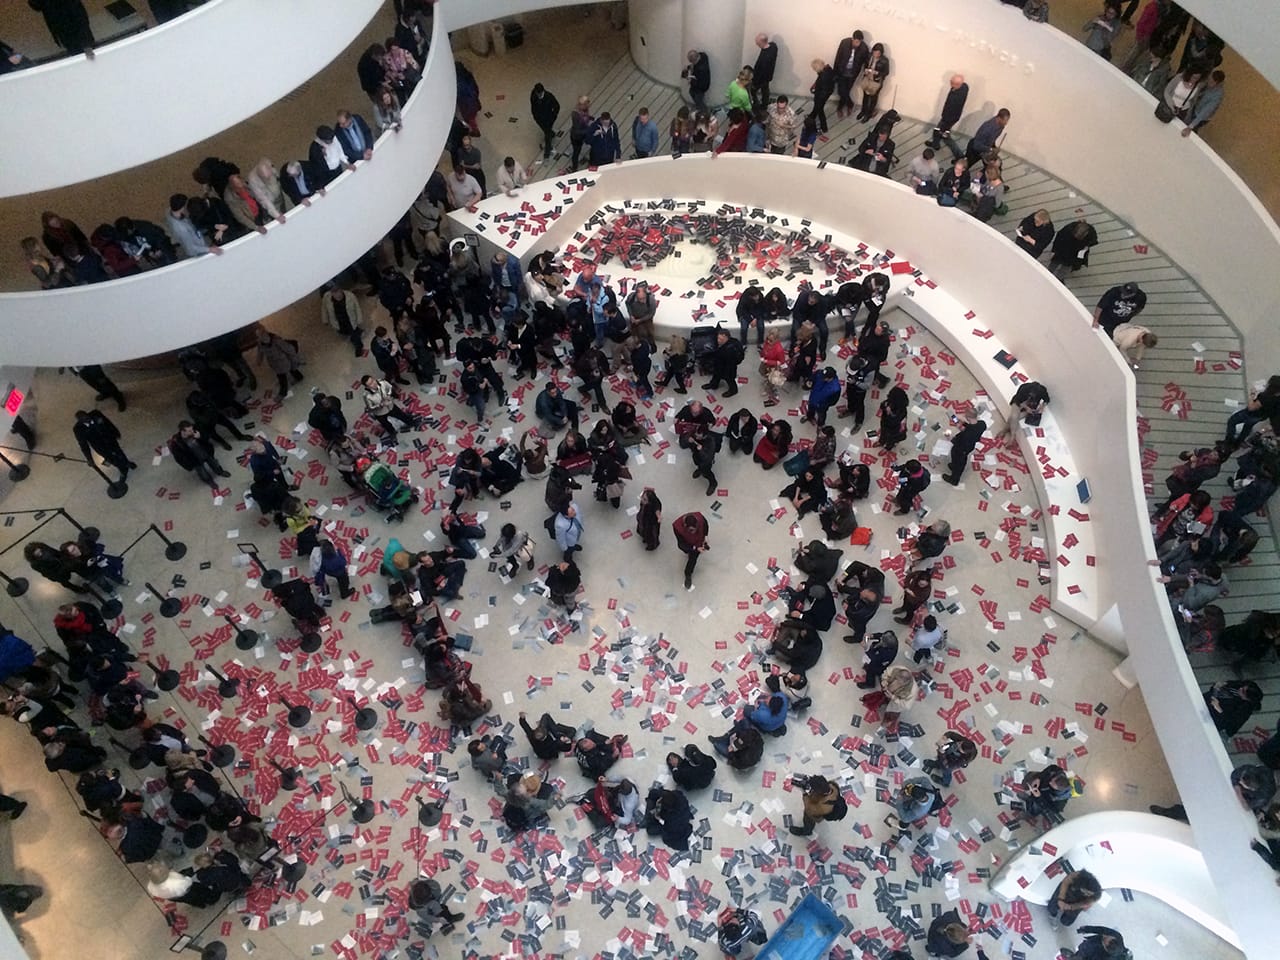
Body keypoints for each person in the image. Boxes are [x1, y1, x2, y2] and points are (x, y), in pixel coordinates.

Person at [73, 408, 136, 482]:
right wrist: (89, 458)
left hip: (109, 439)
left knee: (119, 451)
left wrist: (115, 432)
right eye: (85, 420)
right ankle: (122, 469)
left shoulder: (95, 414)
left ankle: (126, 462)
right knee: (111, 458)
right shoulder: (78, 430)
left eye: (87, 417)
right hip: (100, 447)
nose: (88, 420)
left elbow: (108, 423)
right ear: (80, 422)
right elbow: (83, 445)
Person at [169, 421, 230, 488]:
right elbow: (179, 458)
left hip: (206, 453)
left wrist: (200, 437)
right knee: (202, 472)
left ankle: (220, 472)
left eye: (192, 429)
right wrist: (189, 465)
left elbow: (207, 437)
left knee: (214, 463)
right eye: (189, 431)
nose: (192, 431)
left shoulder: (195, 430)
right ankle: (209, 481)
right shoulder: (176, 442)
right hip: (195, 460)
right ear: (183, 431)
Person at [1224, 375, 1280, 445]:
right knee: (1247, 427)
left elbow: (1251, 408)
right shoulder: (1277, 397)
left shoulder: (1265, 397)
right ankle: (1239, 442)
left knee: (1232, 421)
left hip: (1251, 414)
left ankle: (1229, 441)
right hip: (1261, 416)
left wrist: (1252, 394)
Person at [360, 375, 417, 442]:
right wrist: (381, 404)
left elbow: (389, 387)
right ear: (367, 387)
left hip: (390, 406)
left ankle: (411, 422)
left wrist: (388, 395)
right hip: (380, 413)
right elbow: (370, 407)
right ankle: (392, 432)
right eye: (370, 384)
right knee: (386, 424)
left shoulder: (382, 382)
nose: (374, 383)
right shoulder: (367, 395)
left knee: (401, 415)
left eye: (373, 380)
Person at [29, 0, 95, 57]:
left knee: (84, 50)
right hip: (60, 25)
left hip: (72, 18)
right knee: (74, 50)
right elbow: (36, 5)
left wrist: (87, 44)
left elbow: (80, 19)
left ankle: (87, 46)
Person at [943, 406, 987, 485]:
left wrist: (949, 437)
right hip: (970, 445)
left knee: (959, 462)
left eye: (965, 415)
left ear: (968, 417)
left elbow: (958, 442)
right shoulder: (982, 424)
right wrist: (963, 423)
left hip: (962, 449)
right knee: (954, 453)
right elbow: (971, 427)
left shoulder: (966, 434)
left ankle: (954, 479)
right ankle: (953, 465)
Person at [928, 75, 969, 155]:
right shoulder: (964, 87)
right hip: (953, 118)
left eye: (951, 82)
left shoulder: (955, 97)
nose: (950, 83)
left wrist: (944, 120)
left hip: (948, 119)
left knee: (943, 135)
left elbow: (949, 109)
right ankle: (935, 143)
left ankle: (959, 155)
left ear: (957, 84)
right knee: (941, 132)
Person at [256, 330, 304, 398]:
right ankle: (299, 377)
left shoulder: (277, 341)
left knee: (282, 376)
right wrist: (259, 360)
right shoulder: (260, 344)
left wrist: (295, 359)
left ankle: (282, 393)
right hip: (274, 363)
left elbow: (289, 349)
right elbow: (260, 352)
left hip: (283, 361)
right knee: (291, 369)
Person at [1182, 69, 1225, 137]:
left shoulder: (1217, 96)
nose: (1208, 82)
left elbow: (1205, 112)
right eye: (1209, 79)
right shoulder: (1207, 82)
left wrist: (1190, 126)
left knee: (1191, 129)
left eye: (1211, 82)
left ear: (1217, 83)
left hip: (1202, 116)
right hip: (1196, 107)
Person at [673, 511, 709, 589]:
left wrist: (705, 537)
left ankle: (688, 573)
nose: (694, 532)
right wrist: (695, 548)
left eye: (695, 529)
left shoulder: (700, 518)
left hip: (698, 541)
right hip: (687, 543)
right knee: (687, 550)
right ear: (685, 526)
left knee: (693, 558)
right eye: (691, 530)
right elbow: (682, 543)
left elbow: (705, 525)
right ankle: (690, 552)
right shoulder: (677, 527)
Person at [856, 43, 890, 122]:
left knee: (873, 98)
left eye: (878, 53)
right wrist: (866, 70)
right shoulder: (869, 56)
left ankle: (868, 114)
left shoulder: (884, 60)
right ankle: (863, 111)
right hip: (867, 79)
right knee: (865, 96)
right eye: (875, 52)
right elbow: (865, 65)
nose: (876, 55)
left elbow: (886, 72)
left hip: (876, 81)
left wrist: (877, 73)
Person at [530, 83, 561, 160]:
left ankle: (547, 150)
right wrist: (536, 117)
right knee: (546, 130)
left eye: (540, 93)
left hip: (548, 119)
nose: (539, 95)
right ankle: (551, 133)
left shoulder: (549, 96)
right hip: (540, 119)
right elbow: (533, 107)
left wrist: (553, 117)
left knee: (547, 133)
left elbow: (557, 106)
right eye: (537, 93)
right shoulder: (533, 95)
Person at [809, 58, 836, 134]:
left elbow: (823, 90)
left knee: (820, 109)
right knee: (817, 107)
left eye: (814, 68)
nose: (814, 70)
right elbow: (819, 79)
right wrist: (815, 85)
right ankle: (812, 116)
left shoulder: (824, 76)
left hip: (822, 95)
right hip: (826, 92)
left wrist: (816, 93)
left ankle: (824, 127)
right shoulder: (827, 69)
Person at [751, 32, 778, 106]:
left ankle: (756, 103)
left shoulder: (765, 58)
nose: (757, 44)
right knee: (765, 90)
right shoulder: (773, 46)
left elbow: (761, 71)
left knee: (752, 90)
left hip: (761, 78)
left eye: (758, 43)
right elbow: (771, 43)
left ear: (762, 42)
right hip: (768, 76)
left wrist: (755, 81)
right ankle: (765, 103)